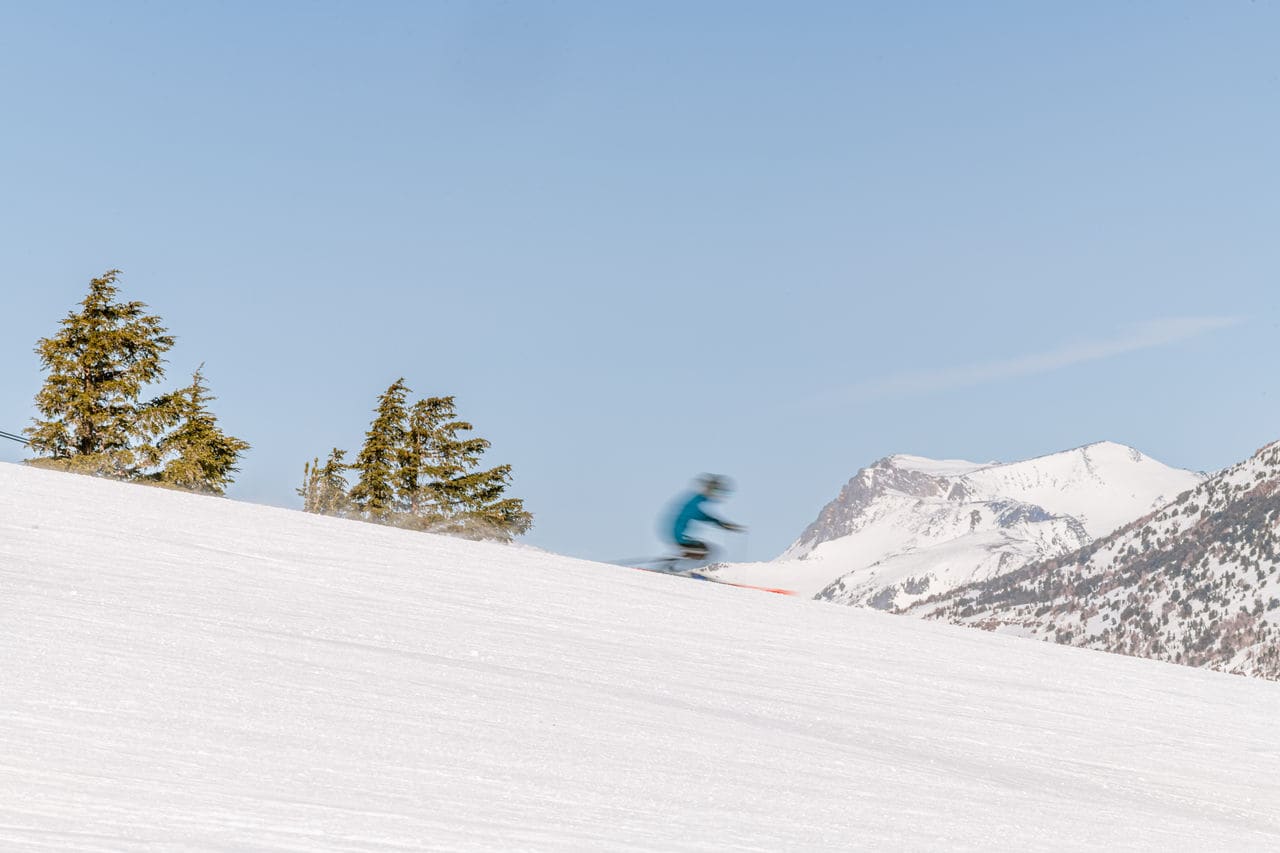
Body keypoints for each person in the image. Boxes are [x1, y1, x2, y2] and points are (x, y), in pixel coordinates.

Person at [668, 474, 744, 562]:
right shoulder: (696, 501)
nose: (716, 495)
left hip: (678, 535)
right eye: (715, 491)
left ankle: (673, 565)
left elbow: (702, 516)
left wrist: (722, 524)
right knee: (706, 552)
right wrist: (722, 524)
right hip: (678, 535)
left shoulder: (697, 500)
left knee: (704, 551)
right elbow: (701, 516)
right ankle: (682, 569)